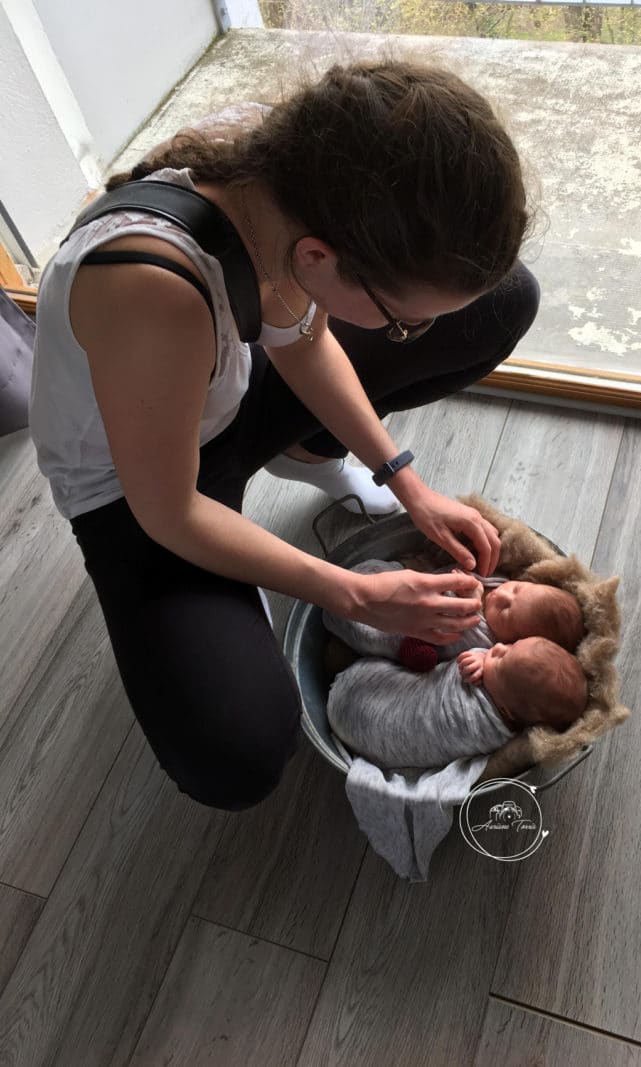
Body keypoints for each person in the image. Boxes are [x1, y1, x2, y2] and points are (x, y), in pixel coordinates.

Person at [27, 59, 542, 812]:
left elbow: (300, 337)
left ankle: (305, 451)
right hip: (138, 487)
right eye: (405, 320)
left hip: (222, 389)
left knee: (504, 299)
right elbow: (169, 511)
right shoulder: (153, 289)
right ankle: (216, 582)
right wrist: (356, 593)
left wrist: (407, 481)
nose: (414, 336)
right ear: (317, 259)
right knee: (237, 752)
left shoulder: (296, 173)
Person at [325, 636, 588, 770]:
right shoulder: (510, 714)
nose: (496, 647)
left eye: (500, 659)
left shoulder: (479, 716)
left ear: (506, 710)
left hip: (358, 688)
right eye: (510, 644)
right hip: (358, 734)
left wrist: (479, 658)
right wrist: (494, 666)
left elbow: (456, 666)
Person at [321, 558, 585, 660]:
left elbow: (460, 637)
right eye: (517, 589)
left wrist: (470, 599)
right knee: (381, 573)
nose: (502, 595)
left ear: (511, 641)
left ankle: (339, 616)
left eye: (506, 611)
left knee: (373, 639)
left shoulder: (488, 643)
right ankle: (340, 588)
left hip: (403, 635)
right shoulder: (500, 582)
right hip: (396, 588)